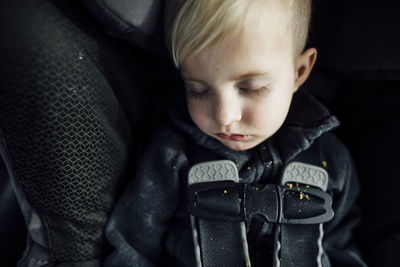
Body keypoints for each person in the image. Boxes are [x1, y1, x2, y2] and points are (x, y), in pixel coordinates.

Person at [103, 0, 366, 266]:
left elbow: (339, 244)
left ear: (299, 72)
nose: (224, 117)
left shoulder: (330, 162)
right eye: (198, 90)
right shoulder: (172, 156)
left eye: (251, 88)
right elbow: (133, 247)